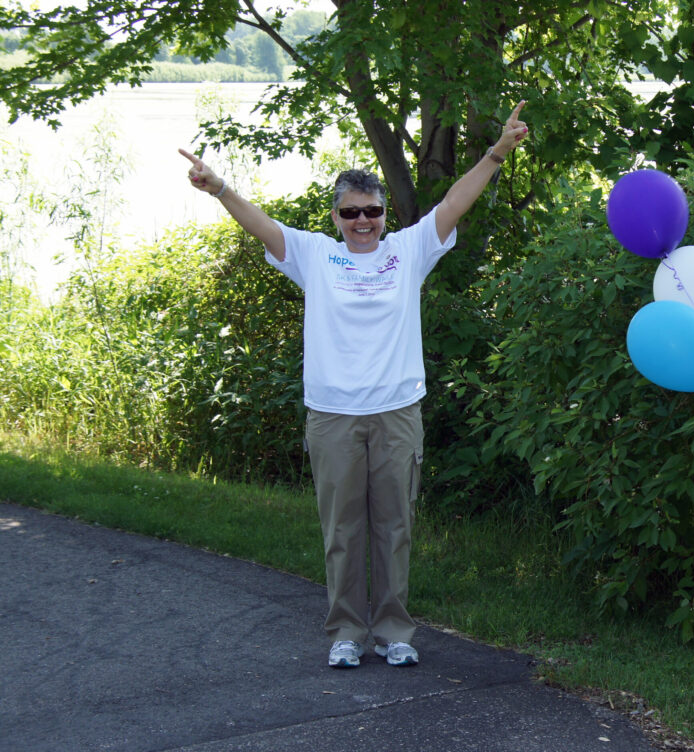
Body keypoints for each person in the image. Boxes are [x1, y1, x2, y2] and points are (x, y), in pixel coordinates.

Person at [180, 101, 528, 669]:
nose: (362, 221)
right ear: (335, 218)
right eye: (351, 213)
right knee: (343, 531)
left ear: (385, 214)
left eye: (371, 211)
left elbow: (455, 202)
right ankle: (346, 631)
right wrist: (219, 187)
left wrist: (496, 153)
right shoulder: (314, 256)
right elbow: (259, 222)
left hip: (396, 413)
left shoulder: (408, 250)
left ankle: (394, 632)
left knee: (394, 527)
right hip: (333, 416)